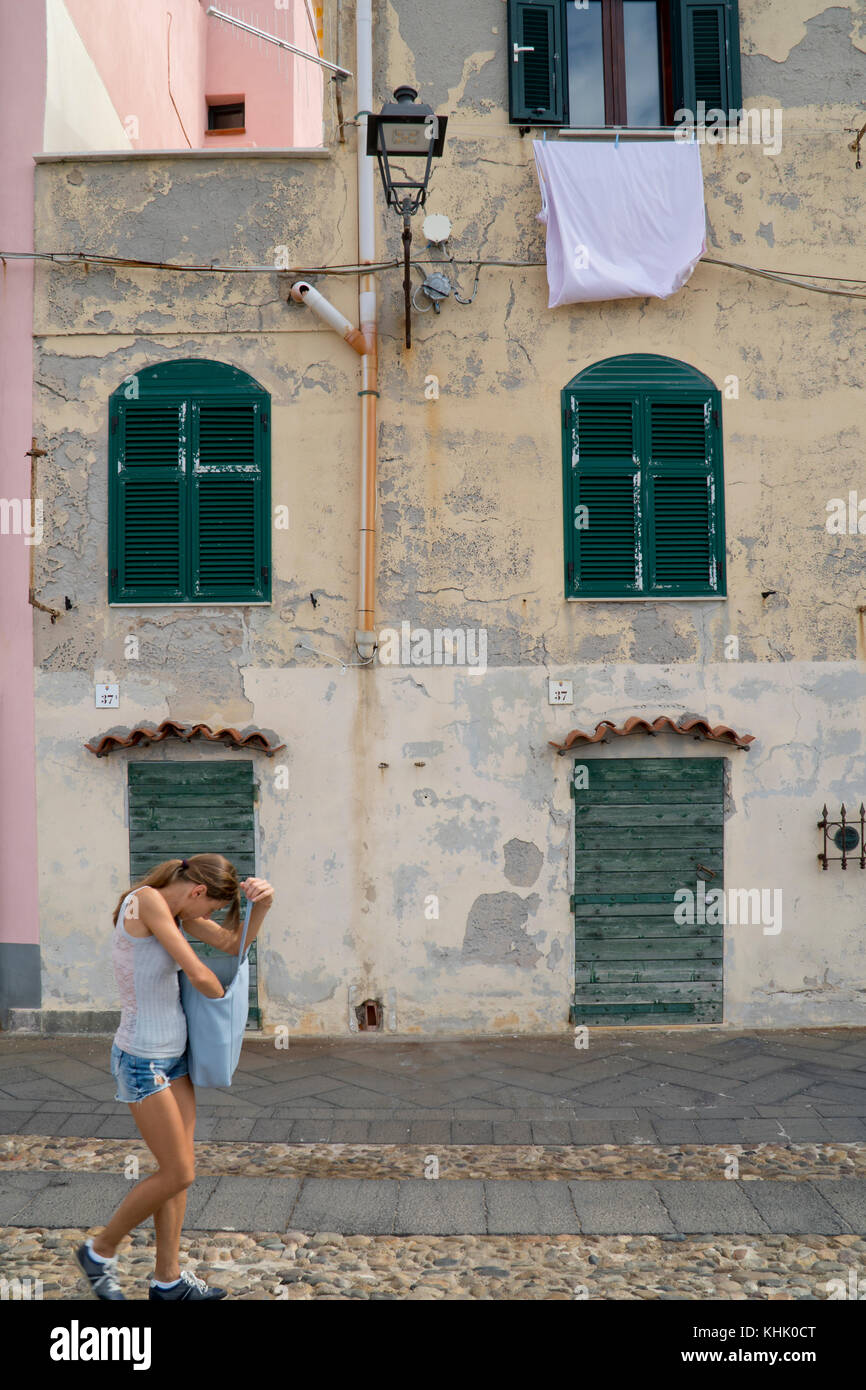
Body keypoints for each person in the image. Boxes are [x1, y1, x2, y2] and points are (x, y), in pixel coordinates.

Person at [75, 853, 274, 1301]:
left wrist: (262, 904)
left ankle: (167, 1282)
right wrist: (227, 1002)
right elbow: (199, 971)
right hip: (142, 1061)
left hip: (174, 1058)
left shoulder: (179, 910)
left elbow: (233, 944)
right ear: (197, 891)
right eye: (208, 909)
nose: (205, 918)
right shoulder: (146, 902)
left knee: (176, 1170)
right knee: (179, 1172)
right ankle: (99, 1250)